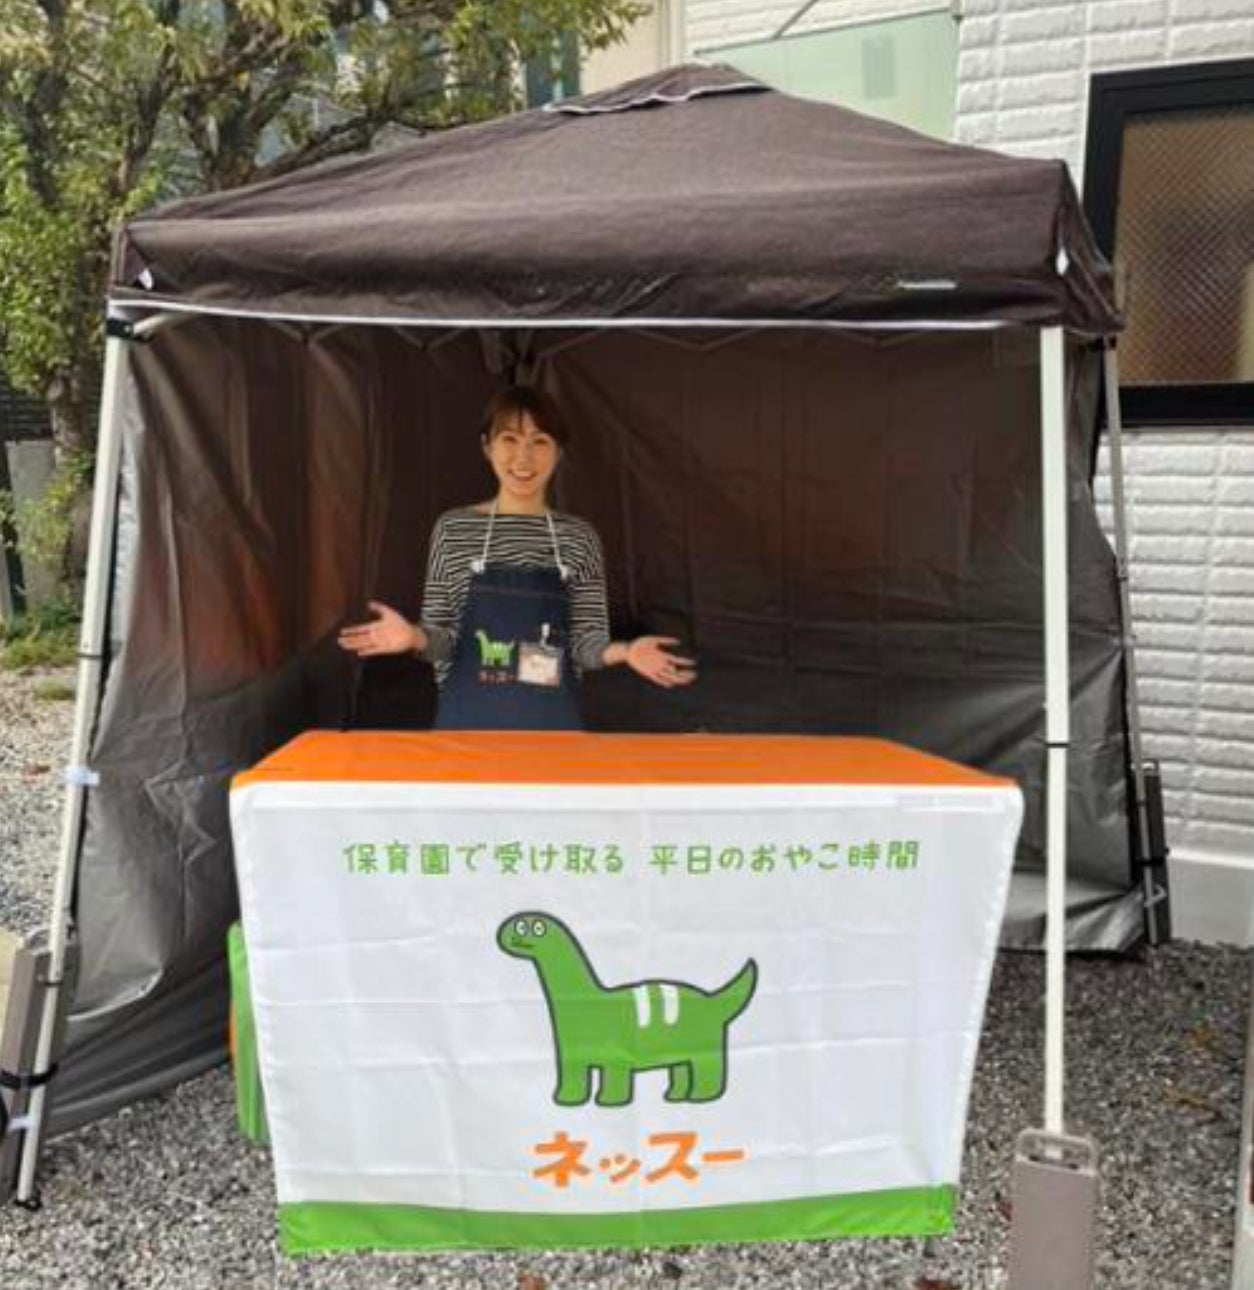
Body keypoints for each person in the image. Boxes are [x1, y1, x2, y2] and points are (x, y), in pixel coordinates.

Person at [337, 385, 696, 730]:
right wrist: (413, 637)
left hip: (551, 734)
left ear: (558, 453)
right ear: (487, 446)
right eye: (510, 439)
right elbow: (442, 640)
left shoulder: (578, 538)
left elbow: (585, 646)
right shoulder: (454, 529)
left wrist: (627, 652)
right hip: (466, 735)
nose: (523, 457)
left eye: (540, 441)